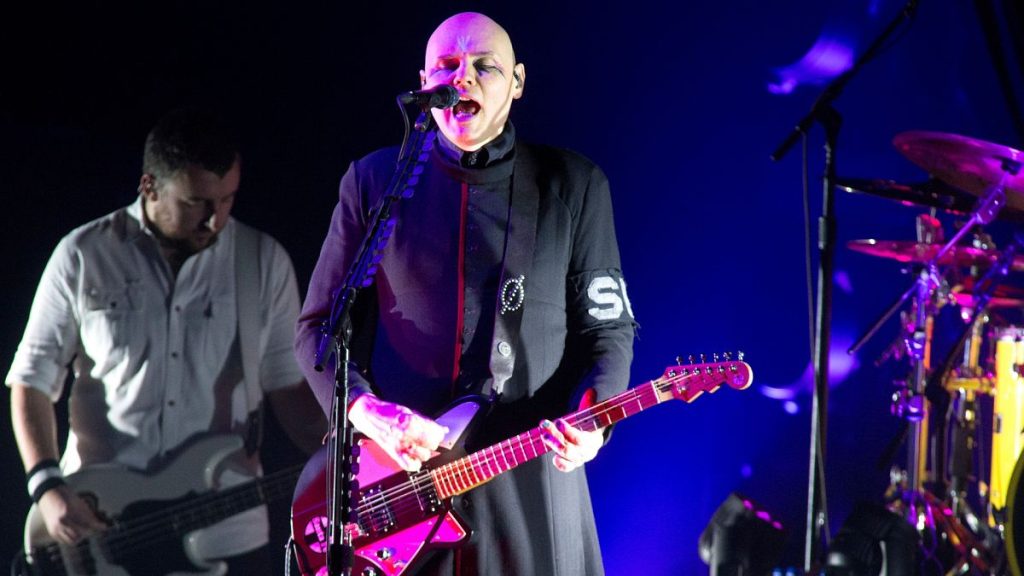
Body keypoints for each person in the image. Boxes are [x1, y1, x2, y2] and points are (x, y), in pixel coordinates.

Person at [295, 12, 636, 575]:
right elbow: (317, 330)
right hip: (400, 489)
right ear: (424, 81)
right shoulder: (375, 181)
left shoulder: (572, 184)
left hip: (527, 479)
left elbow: (609, 329)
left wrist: (594, 421)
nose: (463, 78)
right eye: (448, 65)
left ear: (518, 82)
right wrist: (369, 413)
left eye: (485, 66)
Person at [7, 108, 325, 573]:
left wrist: (342, 451)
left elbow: (287, 386)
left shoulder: (262, 261)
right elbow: (31, 380)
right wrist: (47, 487)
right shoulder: (82, 255)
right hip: (102, 522)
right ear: (149, 187)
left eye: (227, 200)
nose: (214, 220)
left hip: (227, 530)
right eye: (197, 202)